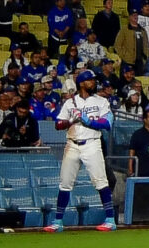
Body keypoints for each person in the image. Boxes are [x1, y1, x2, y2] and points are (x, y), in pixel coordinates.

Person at [49, 76, 119, 230]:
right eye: (90, 80)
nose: (93, 82)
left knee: (101, 181)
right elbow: (57, 124)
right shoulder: (70, 102)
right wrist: (71, 121)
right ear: (81, 83)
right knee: (65, 183)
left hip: (92, 143)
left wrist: (88, 121)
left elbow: (107, 123)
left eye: (94, 80)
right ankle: (58, 221)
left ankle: (110, 219)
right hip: (72, 144)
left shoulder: (101, 101)